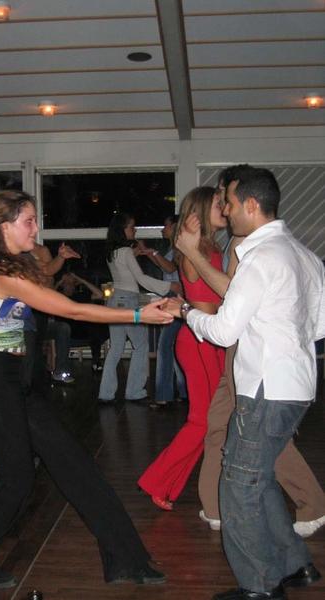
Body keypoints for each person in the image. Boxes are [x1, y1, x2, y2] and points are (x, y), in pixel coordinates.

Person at [0, 190, 173, 589]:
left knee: (75, 464)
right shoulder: (0, 274)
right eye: (28, 221)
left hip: (8, 379)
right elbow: (70, 309)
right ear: (3, 226)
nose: (36, 229)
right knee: (17, 479)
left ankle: (126, 559)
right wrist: (136, 315)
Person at [168, 166, 323, 600]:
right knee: (258, 479)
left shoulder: (260, 256)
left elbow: (222, 331)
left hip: (265, 388)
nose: (227, 210)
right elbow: (318, 325)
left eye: (231, 203)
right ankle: (295, 566)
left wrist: (185, 312)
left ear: (251, 205)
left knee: (238, 488)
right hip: (295, 384)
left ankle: (260, 586)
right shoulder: (302, 253)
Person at [138, 187, 226, 510]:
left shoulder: (210, 247)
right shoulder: (195, 251)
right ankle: (157, 481)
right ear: (200, 212)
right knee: (203, 420)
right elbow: (204, 306)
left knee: (210, 420)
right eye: (218, 203)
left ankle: (167, 486)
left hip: (209, 339)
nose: (224, 207)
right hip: (200, 340)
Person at [98, 213, 179, 403]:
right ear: (122, 229)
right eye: (131, 227)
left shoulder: (113, 252)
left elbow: (124, 269)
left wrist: (137, 253)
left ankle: (105, 393)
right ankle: (134, 392)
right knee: (141, 344)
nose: (134, 230)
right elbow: (140, 278)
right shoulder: (126, 251)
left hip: (115, 300)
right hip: (127, 301)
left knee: (116, 347)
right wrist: (169, 286)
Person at [139, 215, 187, 406]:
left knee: (165, 346)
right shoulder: (174, 247)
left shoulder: (179, 247)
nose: (162, 229)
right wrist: (149, 253)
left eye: (166, 226)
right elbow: (164, 265)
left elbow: (169, 268)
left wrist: (153, 253)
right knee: (173, 346)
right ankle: (183, 392)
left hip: (177, 299)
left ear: (175, 227)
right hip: (175, 299)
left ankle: (164, 395)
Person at [30, 242, 80, 384]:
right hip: (20, 316)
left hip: (40, 315)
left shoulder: (41, 250)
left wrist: (60, 257)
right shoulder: (15, 252)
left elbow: (48, 272)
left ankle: (59, 371)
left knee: (62, 328)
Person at [55, 271, 109, 371]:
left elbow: (100, 295)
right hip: (68, 330)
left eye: (72, 283)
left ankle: (96, 361)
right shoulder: (58, 297)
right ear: (62, 284)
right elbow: (47, 295)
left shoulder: (81, 295)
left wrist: (82, 280)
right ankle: (96, 361)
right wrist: (60, 281)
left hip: (84, 329)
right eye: (66, 283)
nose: (70, 285)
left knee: (95, 326)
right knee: (94, 329)